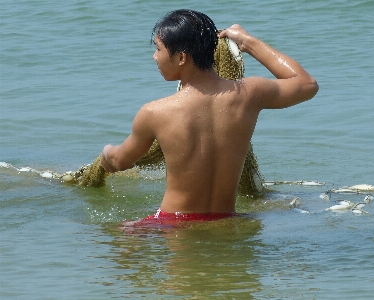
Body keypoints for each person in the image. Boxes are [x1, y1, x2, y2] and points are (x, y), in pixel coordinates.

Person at [101, 9, 318, 226]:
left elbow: (120, 161)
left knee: (115, 236)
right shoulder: (248, 94)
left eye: (158, 49)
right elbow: (307, 84)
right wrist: (247, 41)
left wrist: (107, 153)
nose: (154, 56)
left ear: (181, 57)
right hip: (226, 221)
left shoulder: (155, 112)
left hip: (174, 223)